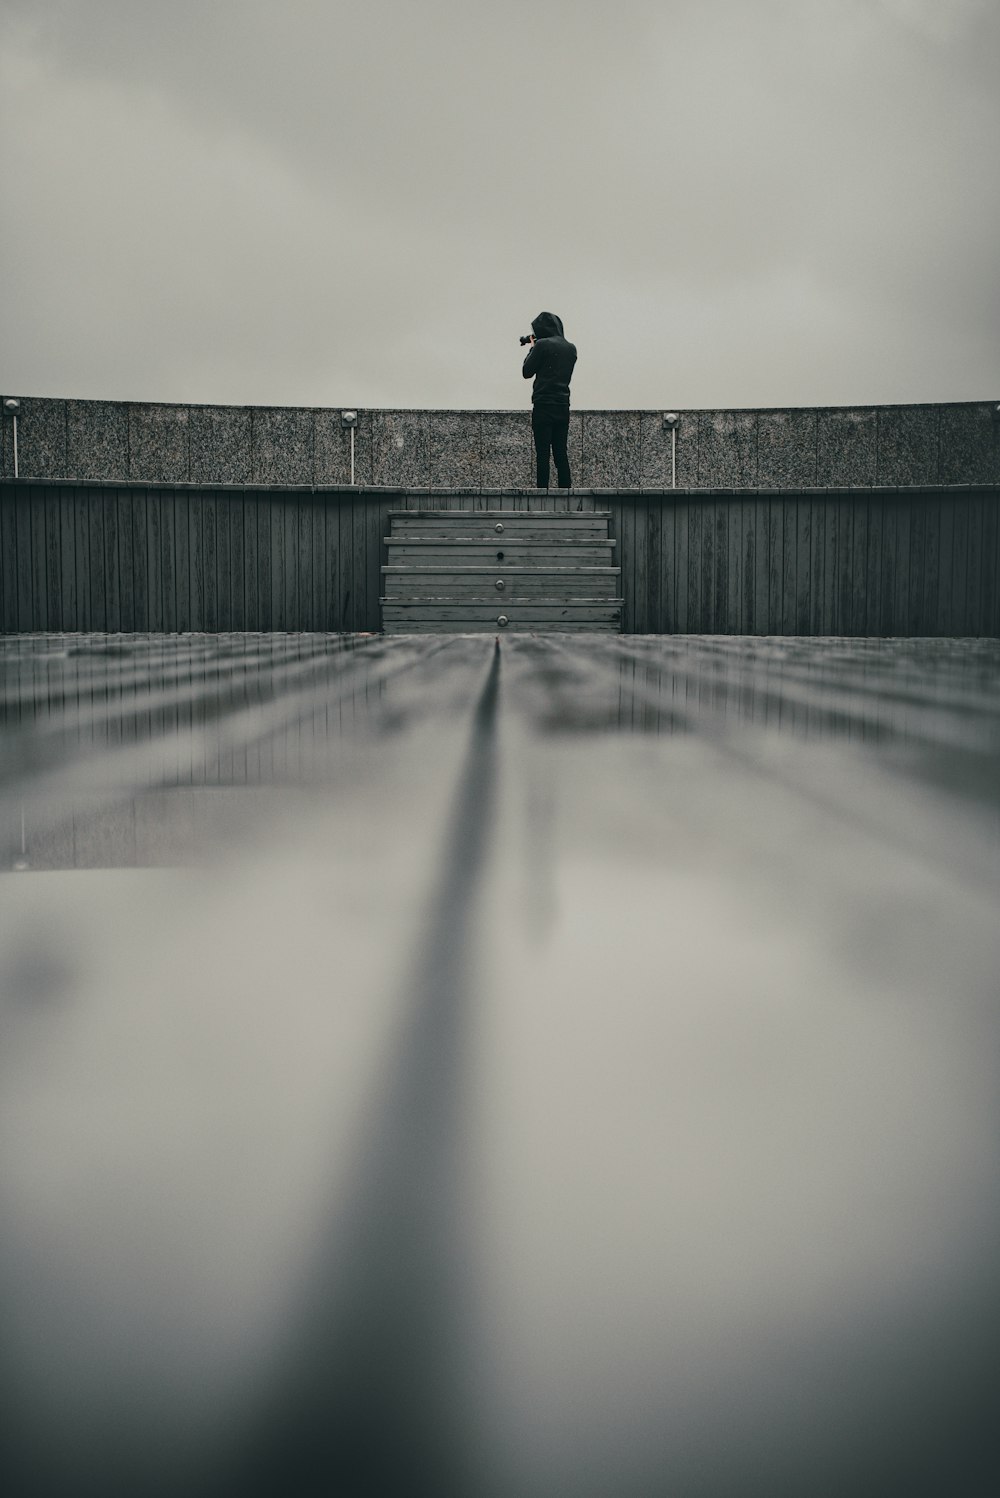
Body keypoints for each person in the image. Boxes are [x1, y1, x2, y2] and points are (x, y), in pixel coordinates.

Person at [522, 311, 577, 488]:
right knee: (561, 452)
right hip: (562, 405)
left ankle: (542, 493)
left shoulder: (542, 345)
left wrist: (532, 347)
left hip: (543, 405)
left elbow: (526, 372)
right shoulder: (571, 348)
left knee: (543, 454)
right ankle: (566, 492)